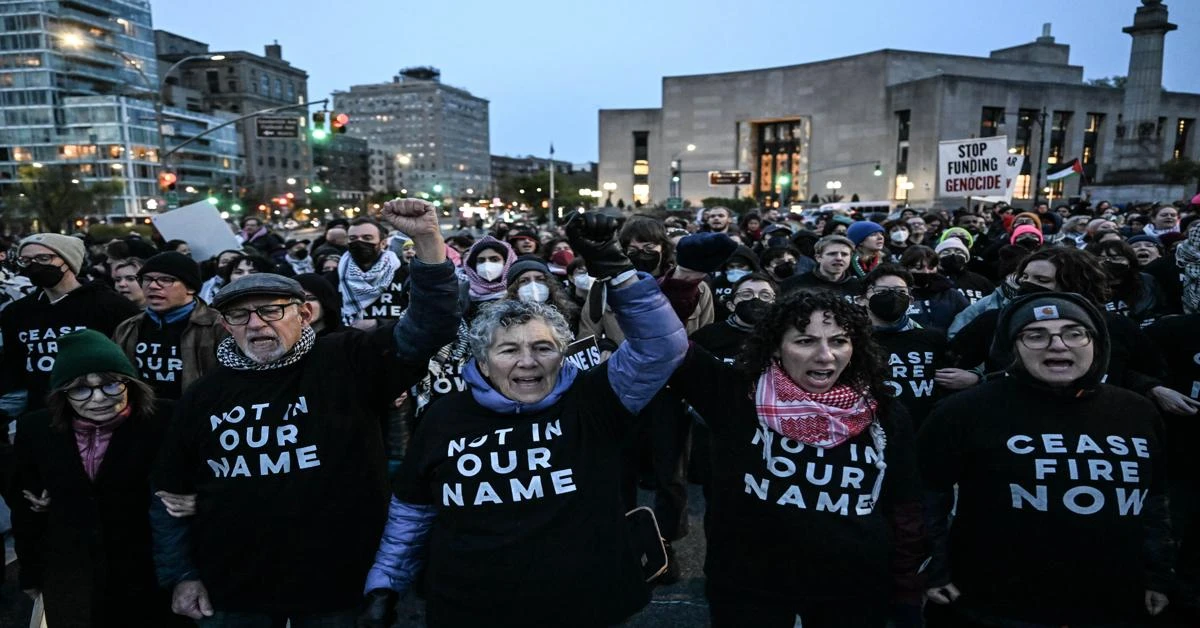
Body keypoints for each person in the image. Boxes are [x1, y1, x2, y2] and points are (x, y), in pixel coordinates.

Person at [362, 212, 688, 627]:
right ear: (482, 360)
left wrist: (618, 269)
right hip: (471, 604)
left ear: (562, 352)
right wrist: (386, 582)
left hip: (583, 602)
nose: (528, 362)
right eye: (509, 350)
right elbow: (413, 510)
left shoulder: (593, 399)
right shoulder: (447, 415)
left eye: (543, 348)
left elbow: (662, 348)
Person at [150, 199, 462, 626]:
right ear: (225, 325)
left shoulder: (347, 359)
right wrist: (181, 576)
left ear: (304, 313)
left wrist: (427, 241)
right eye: (240, 315)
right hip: (236, 593)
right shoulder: (205, 395)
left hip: (341, 589)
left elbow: (430, 326)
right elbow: (169, 497)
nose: (257, 324)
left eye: (272, 310)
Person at [668, 291, 926, 627]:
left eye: (839, 341)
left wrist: (907, 589)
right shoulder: (737, 397)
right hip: (751, 590)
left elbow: (905, 504)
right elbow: (663, 344)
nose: (825, 355)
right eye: (805, 341)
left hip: (853, 591)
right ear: (776, 347)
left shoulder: (886, 414)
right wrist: (678, 280)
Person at [920, 292, 1172, 626]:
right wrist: (934, 569)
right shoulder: (966, 411)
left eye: (1073, 333)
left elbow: (1154, 500)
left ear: (1095, 342)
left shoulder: (1136, 411)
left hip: (1113, 601)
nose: (1057, 345)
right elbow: (925, 494)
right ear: (1013, 347)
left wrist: (1158, 575)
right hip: (996, 606)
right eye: (1036, 335)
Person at [11, 330, 185, 627]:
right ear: (62, 393)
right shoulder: (37, 430)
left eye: (110, 385)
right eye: (81, 389)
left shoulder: (164, 420)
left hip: (148, 572)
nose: (99, 398)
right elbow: (26, 507)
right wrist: (30, 572)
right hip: (73, 575)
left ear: (130, 383)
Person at [1, 234, 141, 413]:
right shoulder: (16, 313)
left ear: (68, 260)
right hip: (41, 413)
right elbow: (14, 369)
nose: (34, 266)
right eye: (26, 260)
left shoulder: (111, 306)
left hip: (101, 409)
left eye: (43, 258)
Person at [110, 252, 227, 401]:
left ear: (190, 287)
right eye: (147, 279)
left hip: (196, 417)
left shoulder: (218, 326)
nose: (153, 286)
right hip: (142, 417)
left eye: (166, 280)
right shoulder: (127, 328)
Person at [859, 265, 956, 428]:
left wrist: (974, 375)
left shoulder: (932, 337)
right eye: (882, 291)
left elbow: (953, 375)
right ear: (861, 299)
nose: (892, 296)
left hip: (926, 429)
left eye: (900, 292)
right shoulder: (852, 341)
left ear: (910, 300)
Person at [332, 217, 409, 328]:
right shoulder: (335, 277)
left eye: (367, 238)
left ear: (383, 243)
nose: (359, 242)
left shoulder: (406, 275)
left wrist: (379, 324)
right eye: (353, 238)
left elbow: (418, 318)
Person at [1087, 239, 1169, 326]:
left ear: (1129, 260)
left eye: (1116, 258)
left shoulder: (1147, 281)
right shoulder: (1091, 286)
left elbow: (1162, 308)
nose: (1108, 262)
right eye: (1102, 259)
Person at [900, 246, 969, 333]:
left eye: (931, 267)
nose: (926, 272)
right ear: (906, 268)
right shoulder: (899, 295)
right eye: (918, 267)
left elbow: (969, 318)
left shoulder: (951, 294)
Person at [505, 257, 580, 328]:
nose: (533, 286)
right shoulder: (504, 320)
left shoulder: (570, 314)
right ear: (514, 288)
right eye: (524, 281)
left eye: (540, 279)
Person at [780, 234, 862, 298]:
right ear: (818, 258)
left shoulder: (860, 287)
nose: (839, 258)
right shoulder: (794, 284)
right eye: (832, 254)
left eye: (844, 254)